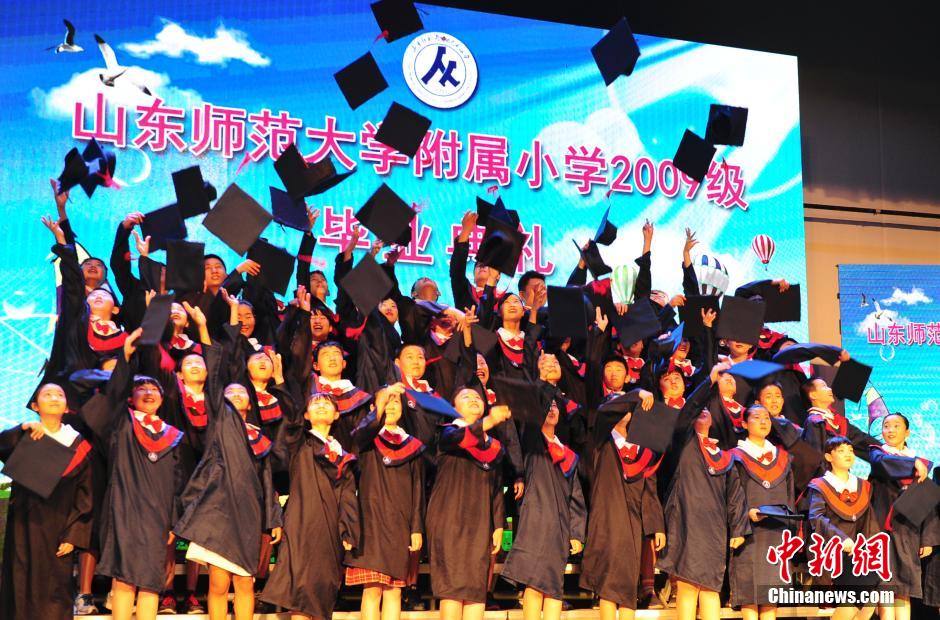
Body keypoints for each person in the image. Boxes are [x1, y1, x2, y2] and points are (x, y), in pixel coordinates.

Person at [173, 340, 284, 620]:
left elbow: (267, 481)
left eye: (241, 392)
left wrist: (273, 519)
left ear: (250, 401)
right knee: (218, 583)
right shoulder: (219, 426)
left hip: (247, 515)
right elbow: (213, 385)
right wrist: (204, 334)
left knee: (245, 583)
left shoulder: (259, 437)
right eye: (229, 392)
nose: (235, 395)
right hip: (218, 511)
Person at [80, 328, 184, 620]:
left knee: (151, 584)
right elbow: (113, 395)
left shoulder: (172, 436)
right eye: (141, 388)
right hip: (124, 512)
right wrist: (125, 357)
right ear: (130, 397)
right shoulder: (121, 424)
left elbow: (177, 484)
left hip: (157, 517)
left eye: (154, 389)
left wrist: (173, 521)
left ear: (162, 398)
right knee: (124, 581)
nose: (149, 392)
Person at [658, 363, 749, 620]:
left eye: (707, 410)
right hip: (685, 521)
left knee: (710, 588)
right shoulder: (682, 443)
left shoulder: (723, 455)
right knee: (687, 586)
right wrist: (709, 381)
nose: (702, 412)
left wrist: (738, 529)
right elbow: (688, 412)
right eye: (699, 410)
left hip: (714, 529)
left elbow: (735, 495)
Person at [260, 392, 360, 619]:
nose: (321, 405)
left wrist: (347, 530)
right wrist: (282, 384)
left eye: (327, 403)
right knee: (302, 596)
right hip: (302, 528)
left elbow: (348, 497)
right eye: (315, 403)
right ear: (306, 415)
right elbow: (291, 421)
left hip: (330, 533)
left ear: (337, 415)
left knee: (322, 597)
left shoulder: (343, 456)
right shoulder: (300, 444)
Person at [0, 383, 94, 620]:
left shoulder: (78, 445)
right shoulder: (26, 436)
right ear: (35, 406)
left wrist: (73, 536)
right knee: (20, 585)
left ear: (67, 407)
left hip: (58, 530)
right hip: (24, 526)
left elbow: (85, 496)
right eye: (47, 394)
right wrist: (23, 427)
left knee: (55, 591)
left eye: (60, 395)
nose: (54, 398)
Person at [579, 388, 665, 620]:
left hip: (632, 523)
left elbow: (649, 491)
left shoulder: (642, 449)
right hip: (607, 520)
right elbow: (603, 413)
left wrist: (657, 526)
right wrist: (636, 393)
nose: (624, 407)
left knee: (628, 585)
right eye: (618, 403)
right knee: (608, 584)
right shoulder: (601, 441)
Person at [426, 388, 512, 620]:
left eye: (477, 397)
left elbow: (496, 488)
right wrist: (489, 421)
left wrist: (498, 525)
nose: (474, 399)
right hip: (449, 522)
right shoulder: (446, 434)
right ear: (454, 408)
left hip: (480, 525)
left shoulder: (493, 446)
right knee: (453, 591)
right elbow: (460, 438)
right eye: (466, 397)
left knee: (476, 591)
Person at [500, 393, 586, 620]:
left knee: (554, 587)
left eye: (555, 406)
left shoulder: (568, 455)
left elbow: (576, 497)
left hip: (559, 528)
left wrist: (576, 533)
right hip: (535, 523)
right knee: (535, 583)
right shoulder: (533, 445)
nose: (552, 409)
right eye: (547, 405)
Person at [346, 384, 426, 620]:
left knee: (394, 591)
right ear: (375, 407)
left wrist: (416, 528)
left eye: (395, 402)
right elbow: (362, 432)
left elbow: (418, 490)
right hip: (370, 524)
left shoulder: (412, 445)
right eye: (386, 401)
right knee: (372, 590)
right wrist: (380, 404)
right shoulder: (366, 440)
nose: (391, 406)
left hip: (400, 524)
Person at [868, 413, 939, 620]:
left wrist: (927, 539)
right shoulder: (877, 453)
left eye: (896, 426)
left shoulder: (920, 465)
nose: (890, 430)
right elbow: (883, 464)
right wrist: (913, 463)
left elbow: (927, 504)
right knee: (886, 586)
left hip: (909, 532)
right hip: (882, 529)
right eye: (886, 426)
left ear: (907, 432)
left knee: (905, 587)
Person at [804, 436, 882, 620]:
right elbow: (817, 518)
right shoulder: (820, 485)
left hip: (858, 551)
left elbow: (870, 521)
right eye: (841, 450)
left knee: (870, 598)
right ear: (828, 457)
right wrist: (841, 539)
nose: (848, 454)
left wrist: (871, 548)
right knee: (855, 598)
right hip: (830, 550)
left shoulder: (862, 486)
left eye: (850, 450)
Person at [730, 404, 795, 620]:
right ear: (744, 424)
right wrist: (744, 516)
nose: (763, 422)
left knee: (771, 595)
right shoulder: (736, 457)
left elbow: (790, 497)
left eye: (766, 418)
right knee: (749, 592)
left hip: (777, 532)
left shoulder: (782, 458)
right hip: (749, 532)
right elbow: (732, 495)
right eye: (757, 417)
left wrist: (791, 531)